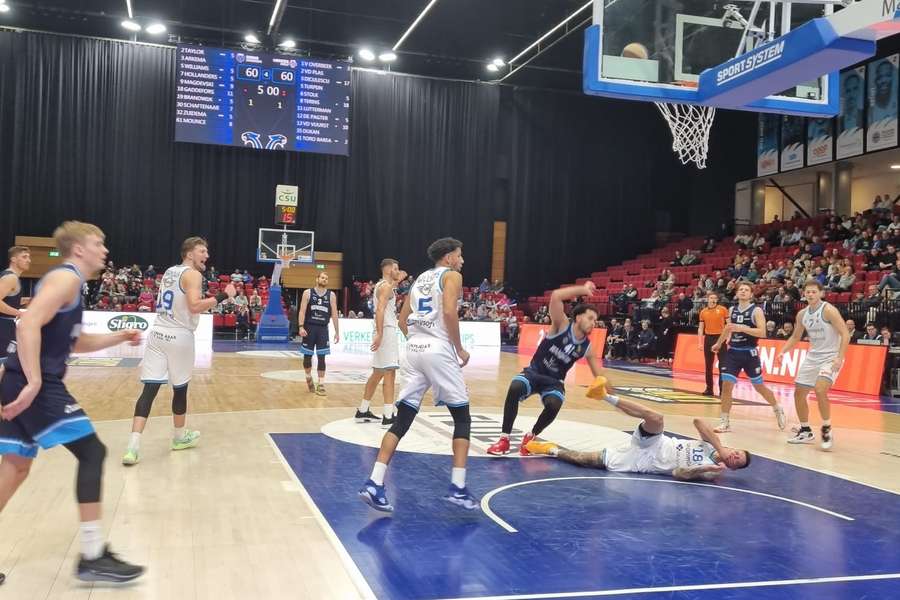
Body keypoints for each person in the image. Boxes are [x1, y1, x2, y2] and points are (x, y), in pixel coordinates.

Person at [0, 222, 144, 582]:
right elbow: (26, 324)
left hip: (17, 381)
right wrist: (34, 382)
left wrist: (118, 337)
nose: (105, 250)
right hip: (36, 385)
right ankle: (93, 555)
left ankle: (94, 555)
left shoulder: (70, 284)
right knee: (92, 452)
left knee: (15, 468)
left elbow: (72, 344)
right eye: (99, 243)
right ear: (79, 249)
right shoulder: (65, 279)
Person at [359, 238, 477, 512]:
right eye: (459, 256)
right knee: (462, 417)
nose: (462, 261)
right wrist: (458, 349)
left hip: (412, 348)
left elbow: (402, 321)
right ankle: (458, 488)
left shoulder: (419, 279)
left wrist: (418, 342)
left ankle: (374, 483)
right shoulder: (452, 276)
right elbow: (449, 312)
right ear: (448, 258)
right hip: (438, 349)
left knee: (402, 419)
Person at [122, 237, 236, 466]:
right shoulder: (193, 274)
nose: (207, 255)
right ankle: (179, 438)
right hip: (179, 335)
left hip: (158, 332)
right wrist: (225, 294)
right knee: (180, 390)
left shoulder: (169, 272)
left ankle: (132, 448)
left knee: (150, 389)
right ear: (189, 254)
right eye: (202, 251)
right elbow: (194, 306)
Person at [525, 376, 750, 480]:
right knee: (656, 417)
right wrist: (719, 448)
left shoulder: (712, 471)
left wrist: (703, 469)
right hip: (656, 442)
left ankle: (549, 449)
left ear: (732, 468)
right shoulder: (714, 445)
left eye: (736, 462)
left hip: (645, 462)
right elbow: (698, 422)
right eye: (737, 453)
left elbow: (678, 473)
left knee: (584, 460)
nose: (734, 457)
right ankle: (603, 395)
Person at [486, 282, 602, 456]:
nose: (594, 323)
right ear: (578, 317)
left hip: (554, 382)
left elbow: (599, 375)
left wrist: (607, 390)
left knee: (554, 404)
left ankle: (530, 437)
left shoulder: (587, 347)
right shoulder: (562, 325)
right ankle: (504, 439)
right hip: (534, 372)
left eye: (595, 320)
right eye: (590, 318)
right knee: (515, 387)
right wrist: (583, 290)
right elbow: (556, 296)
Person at [777, 281, 850, 450]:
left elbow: (845, 334)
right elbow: (795, 337)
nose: (810, 294)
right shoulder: (802, 314)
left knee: (820, 390)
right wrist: (782, 351)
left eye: (813, 292)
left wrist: (840, 357)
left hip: (831, 357)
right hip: (813, 357)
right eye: (807, 292)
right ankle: (805, 430)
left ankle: (826, 428)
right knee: (798, 393)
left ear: (821, 293)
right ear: (804, 294)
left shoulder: (829, 310)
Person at [711, 282, 786, 433]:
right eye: (741, 290)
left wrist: (744, 328)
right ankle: (725, 422)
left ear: (751, 294)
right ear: (737, 293)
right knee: (726, 386)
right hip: (733, 352)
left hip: (750, 353)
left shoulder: (756, 310)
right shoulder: (732, 310)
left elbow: (762, 332)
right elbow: (728, 328)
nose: (743, 292)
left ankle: (777, 408)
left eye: (746, 290)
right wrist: (719, 343)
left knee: (759, 387)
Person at [355, 259, 405, 428]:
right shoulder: (385, 287)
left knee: (378, 373)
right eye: (396, 269)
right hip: (387, 330)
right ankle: (388, 415)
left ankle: (362, 410)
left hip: (383, 330)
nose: (399, 271)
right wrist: (381, 333)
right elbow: (379, 309)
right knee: (390, 372)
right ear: (389, 269)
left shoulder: (384, 285)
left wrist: (397, 280)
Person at [297, 271, 340, 396]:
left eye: (326, 278)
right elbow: (302, 311)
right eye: (322, 277)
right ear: (317, 279)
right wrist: (300, 327)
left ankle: (321, 384)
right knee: (307, 357)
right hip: (309, 328)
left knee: (322, 357)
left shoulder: (331, 295)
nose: (324, 279)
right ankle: (308, 376)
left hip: (323, 329)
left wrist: (337, 332)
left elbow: (335, 314)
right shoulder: (307, 293)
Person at [0, 247, 31, 368]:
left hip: (6, 325)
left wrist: (26, 300)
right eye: (24, 257)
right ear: (13, 259)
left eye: (29, 257)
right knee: (5, 362)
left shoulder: (11, 277)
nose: (28, 260)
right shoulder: (10, 278)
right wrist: (19, 313)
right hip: (3, 326)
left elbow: (8, 299)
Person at [697, 292, 727, 396]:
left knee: (723, 365)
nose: (713, 300)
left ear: (717, 300)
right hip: (708, 338)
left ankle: (722, 390)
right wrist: (700, 342)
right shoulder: (703, 312)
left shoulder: (723, 309)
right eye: (711, 298)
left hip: (720, 337)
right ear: (707, 299)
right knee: (708, 365)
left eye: (715, 298)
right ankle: (709, 389)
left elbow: (729, 325)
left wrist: (728, 338)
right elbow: (700, 328)